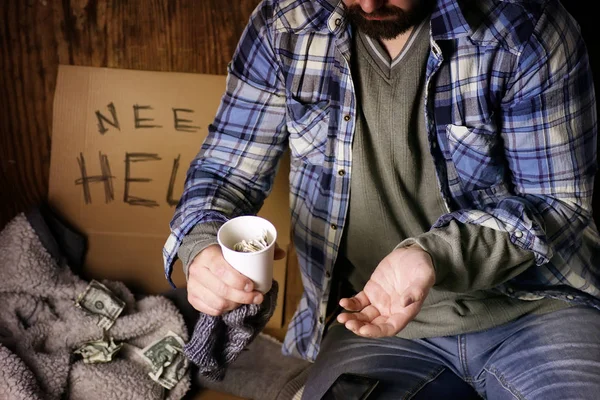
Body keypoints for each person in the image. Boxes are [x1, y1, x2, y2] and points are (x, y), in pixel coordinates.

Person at [163, 0, 600, 398]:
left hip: (535, 308)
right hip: (369, 322)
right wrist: (201, 247)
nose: (368, 4)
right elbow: (224, 171)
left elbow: (556, 203)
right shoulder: (285, 25)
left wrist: (434, 256)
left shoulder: (526, 29)